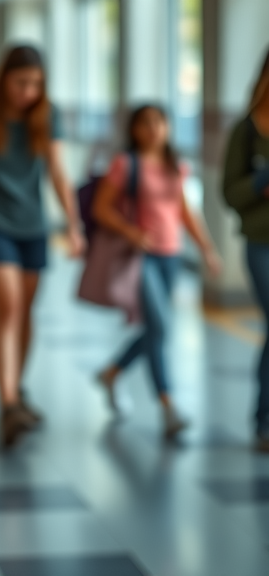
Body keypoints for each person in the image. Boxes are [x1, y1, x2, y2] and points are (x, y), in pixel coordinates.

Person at [0, 45, 85, 449]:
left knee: (26, 311)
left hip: (33, 227)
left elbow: (59, 173)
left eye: (36, 84)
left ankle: (17, 389)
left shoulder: (47, 116)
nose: (29, 91)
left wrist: (74, 224)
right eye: (21, 82)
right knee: (8, 308)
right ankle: (8, 403)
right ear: (4, 79)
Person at [94, 105, 221, 439]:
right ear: (133, 129)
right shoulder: (125, 165)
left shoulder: (176, 166)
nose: (153, 129)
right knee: (161, 327)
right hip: (140, 256)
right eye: (145, 123)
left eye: (159, 122)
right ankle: (168, 406)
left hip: (171, 255)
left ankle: (112, 371)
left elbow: (184, 211)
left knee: (155, 329)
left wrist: (206, 248)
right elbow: (100, 207)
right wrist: (131, 231)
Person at [222, 48, 269, 453]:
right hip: (261, 243)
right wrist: (259, 184)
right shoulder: (247, 131)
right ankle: (264, 420)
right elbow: (228, 194)